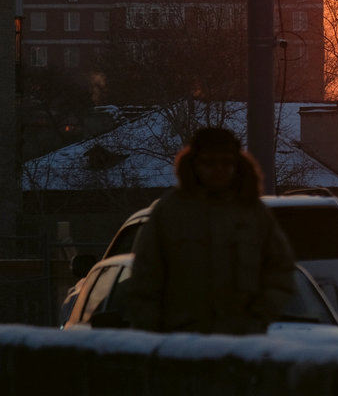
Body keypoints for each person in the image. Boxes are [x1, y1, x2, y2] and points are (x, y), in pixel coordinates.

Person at [127, 126, 297, 334]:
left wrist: (259, 315)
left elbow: (281, 269)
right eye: (209, 163)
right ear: (194, 164)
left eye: (227, 163)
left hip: (240, 341)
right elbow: (145, 275)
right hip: (180, 341)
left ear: (237, 165)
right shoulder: (170, 211)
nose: (219, 169)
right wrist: (152, 327)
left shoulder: (252, 212)